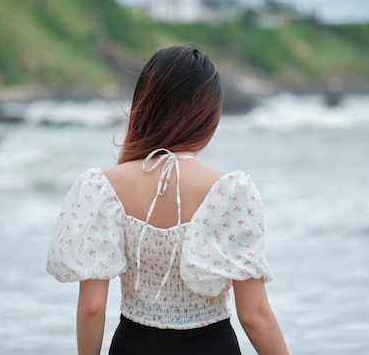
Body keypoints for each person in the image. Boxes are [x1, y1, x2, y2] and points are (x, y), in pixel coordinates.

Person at [46, 45, 289, 355]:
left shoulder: (101, 188)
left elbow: (93, 307)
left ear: (146, 106)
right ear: (208, 114)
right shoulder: (231, 191)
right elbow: (254, 316)